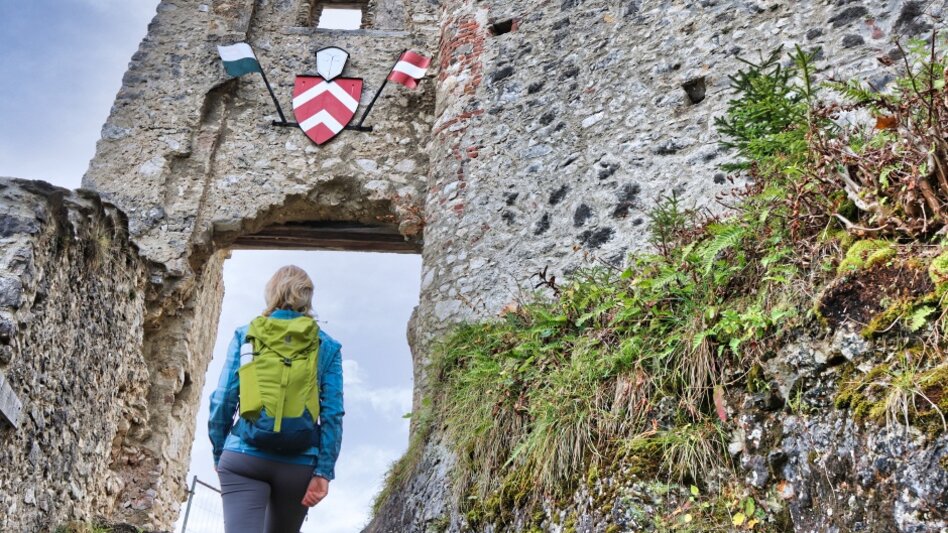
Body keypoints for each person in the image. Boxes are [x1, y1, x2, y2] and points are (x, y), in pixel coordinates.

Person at [208, 265, 344, 533]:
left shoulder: (246, 334)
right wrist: (323, 471)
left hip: (243, 456)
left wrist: (219, 451)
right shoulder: (326, 345)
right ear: (307, 297)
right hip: (299, 462)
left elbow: (223, 398)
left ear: (270, 293)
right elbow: (332, 414)